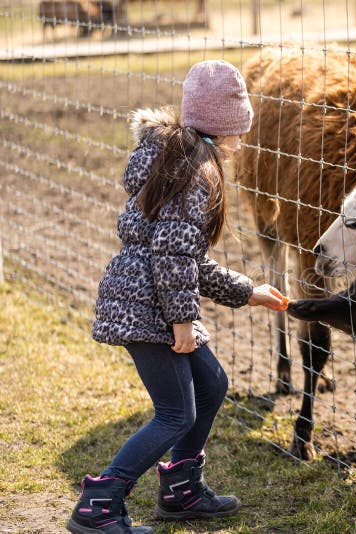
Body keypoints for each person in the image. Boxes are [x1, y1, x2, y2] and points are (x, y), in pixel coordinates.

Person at [68, 60, 286, 534]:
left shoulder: (179, 159)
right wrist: (183, 322)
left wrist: (249, 292)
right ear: (225, 126)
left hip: (151, 298)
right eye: (239, 131)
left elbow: (185, 257)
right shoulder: (195, 173)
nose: (242, 142)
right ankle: (99, 504)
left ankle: (182, 489)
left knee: (211, 385)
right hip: (148, 307)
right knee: (174, 412)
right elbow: (171, 255)